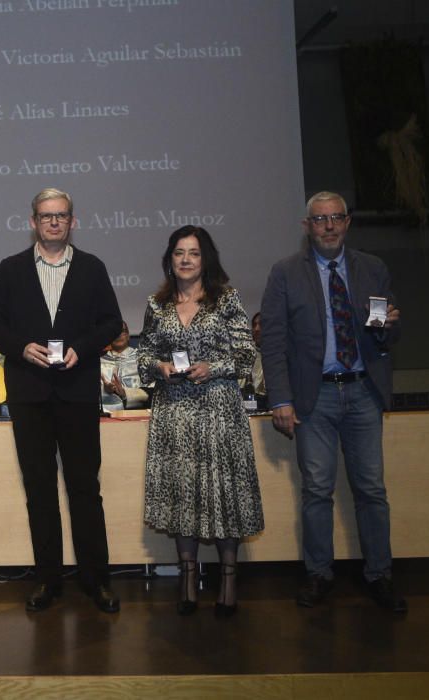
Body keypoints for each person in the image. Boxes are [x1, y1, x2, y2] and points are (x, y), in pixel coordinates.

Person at [260, 191, 406, 612]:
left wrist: (389, 325)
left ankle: (380, 574)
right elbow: (273, 340)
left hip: (363, 391)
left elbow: (389, 337)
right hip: (313, 396)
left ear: (347, 223)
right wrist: (281, 398)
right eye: (320, 220)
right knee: (317, 490)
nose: (328, 226)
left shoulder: (372, 268)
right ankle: (319, 574)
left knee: (371, 490)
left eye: (336, 218)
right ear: (307, 227)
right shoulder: (285, 272)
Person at [0, 187, 122, 613]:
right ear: (33, 223)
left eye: (61, 215)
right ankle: (48, 581)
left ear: (72, 221)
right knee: (39, 491)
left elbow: (112, 321)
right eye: (46, 216)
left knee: (85, 489)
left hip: (77, 393)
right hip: (29, 395)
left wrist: (84, 345)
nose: (54, 222)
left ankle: (96, 581)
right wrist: (21, 346)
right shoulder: (11, 269)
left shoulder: (92, 268)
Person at [138, 225, 264, 617]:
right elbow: (142, 358)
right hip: (173, 415)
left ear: (205, 259)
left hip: (219, 412)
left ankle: (228, 581)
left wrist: (213, 367)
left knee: (223, 495)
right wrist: (158, 366)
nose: (186, 260)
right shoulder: (156, 305)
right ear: (169, 259)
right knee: (182, 497)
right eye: (179, 253)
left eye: (193, 253)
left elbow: (245, 356)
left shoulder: (226, 300)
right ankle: (187, 582)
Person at [99, 322, 148, 412]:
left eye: (122, 331)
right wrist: (105, 390)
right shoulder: (99, 362)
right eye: (115, 332)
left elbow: (150, 390)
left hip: (136, 412)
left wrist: (125, 393)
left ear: (128, 336)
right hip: (107, 415)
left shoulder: (142, 359)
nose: (119, 335)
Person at [250, 312, 267, 398]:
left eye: (261, 324)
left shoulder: (280, 357)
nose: (256, 329)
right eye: (254, 325)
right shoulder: (246, 355)